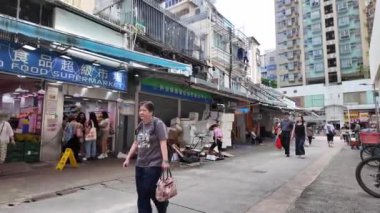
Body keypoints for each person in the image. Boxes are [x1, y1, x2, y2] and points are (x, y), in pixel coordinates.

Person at [123, 101, 170, 213]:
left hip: (154, 164)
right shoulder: (140, 126)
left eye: (144, 110)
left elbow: (163, 142)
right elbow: (136, 143)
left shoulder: (158, 124)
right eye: (140, 110)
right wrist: (128, 158)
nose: (141, 112)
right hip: (140, 164)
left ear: (151, 112)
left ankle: (162, 204)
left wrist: (165, 161)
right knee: (141, 192)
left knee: (148, 189)